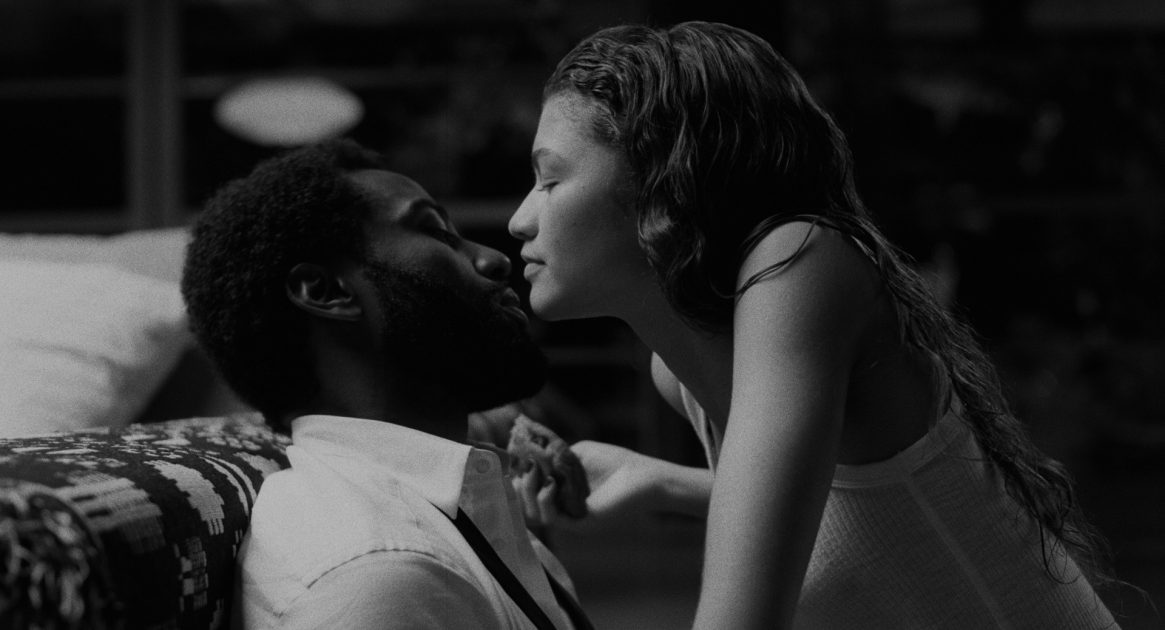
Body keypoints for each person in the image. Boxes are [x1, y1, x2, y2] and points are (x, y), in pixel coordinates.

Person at [508, 21, 1119, 629]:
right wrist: (660, 482)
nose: (518, 220)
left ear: (662, 183)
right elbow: (849, 510)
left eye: (550, 179)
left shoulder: (800, 263)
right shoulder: (675, 374)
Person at [181, 139, 591, 630]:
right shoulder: (382, 574)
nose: (493, 259)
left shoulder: (454, 519)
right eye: (435, 231)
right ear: (327, 291)